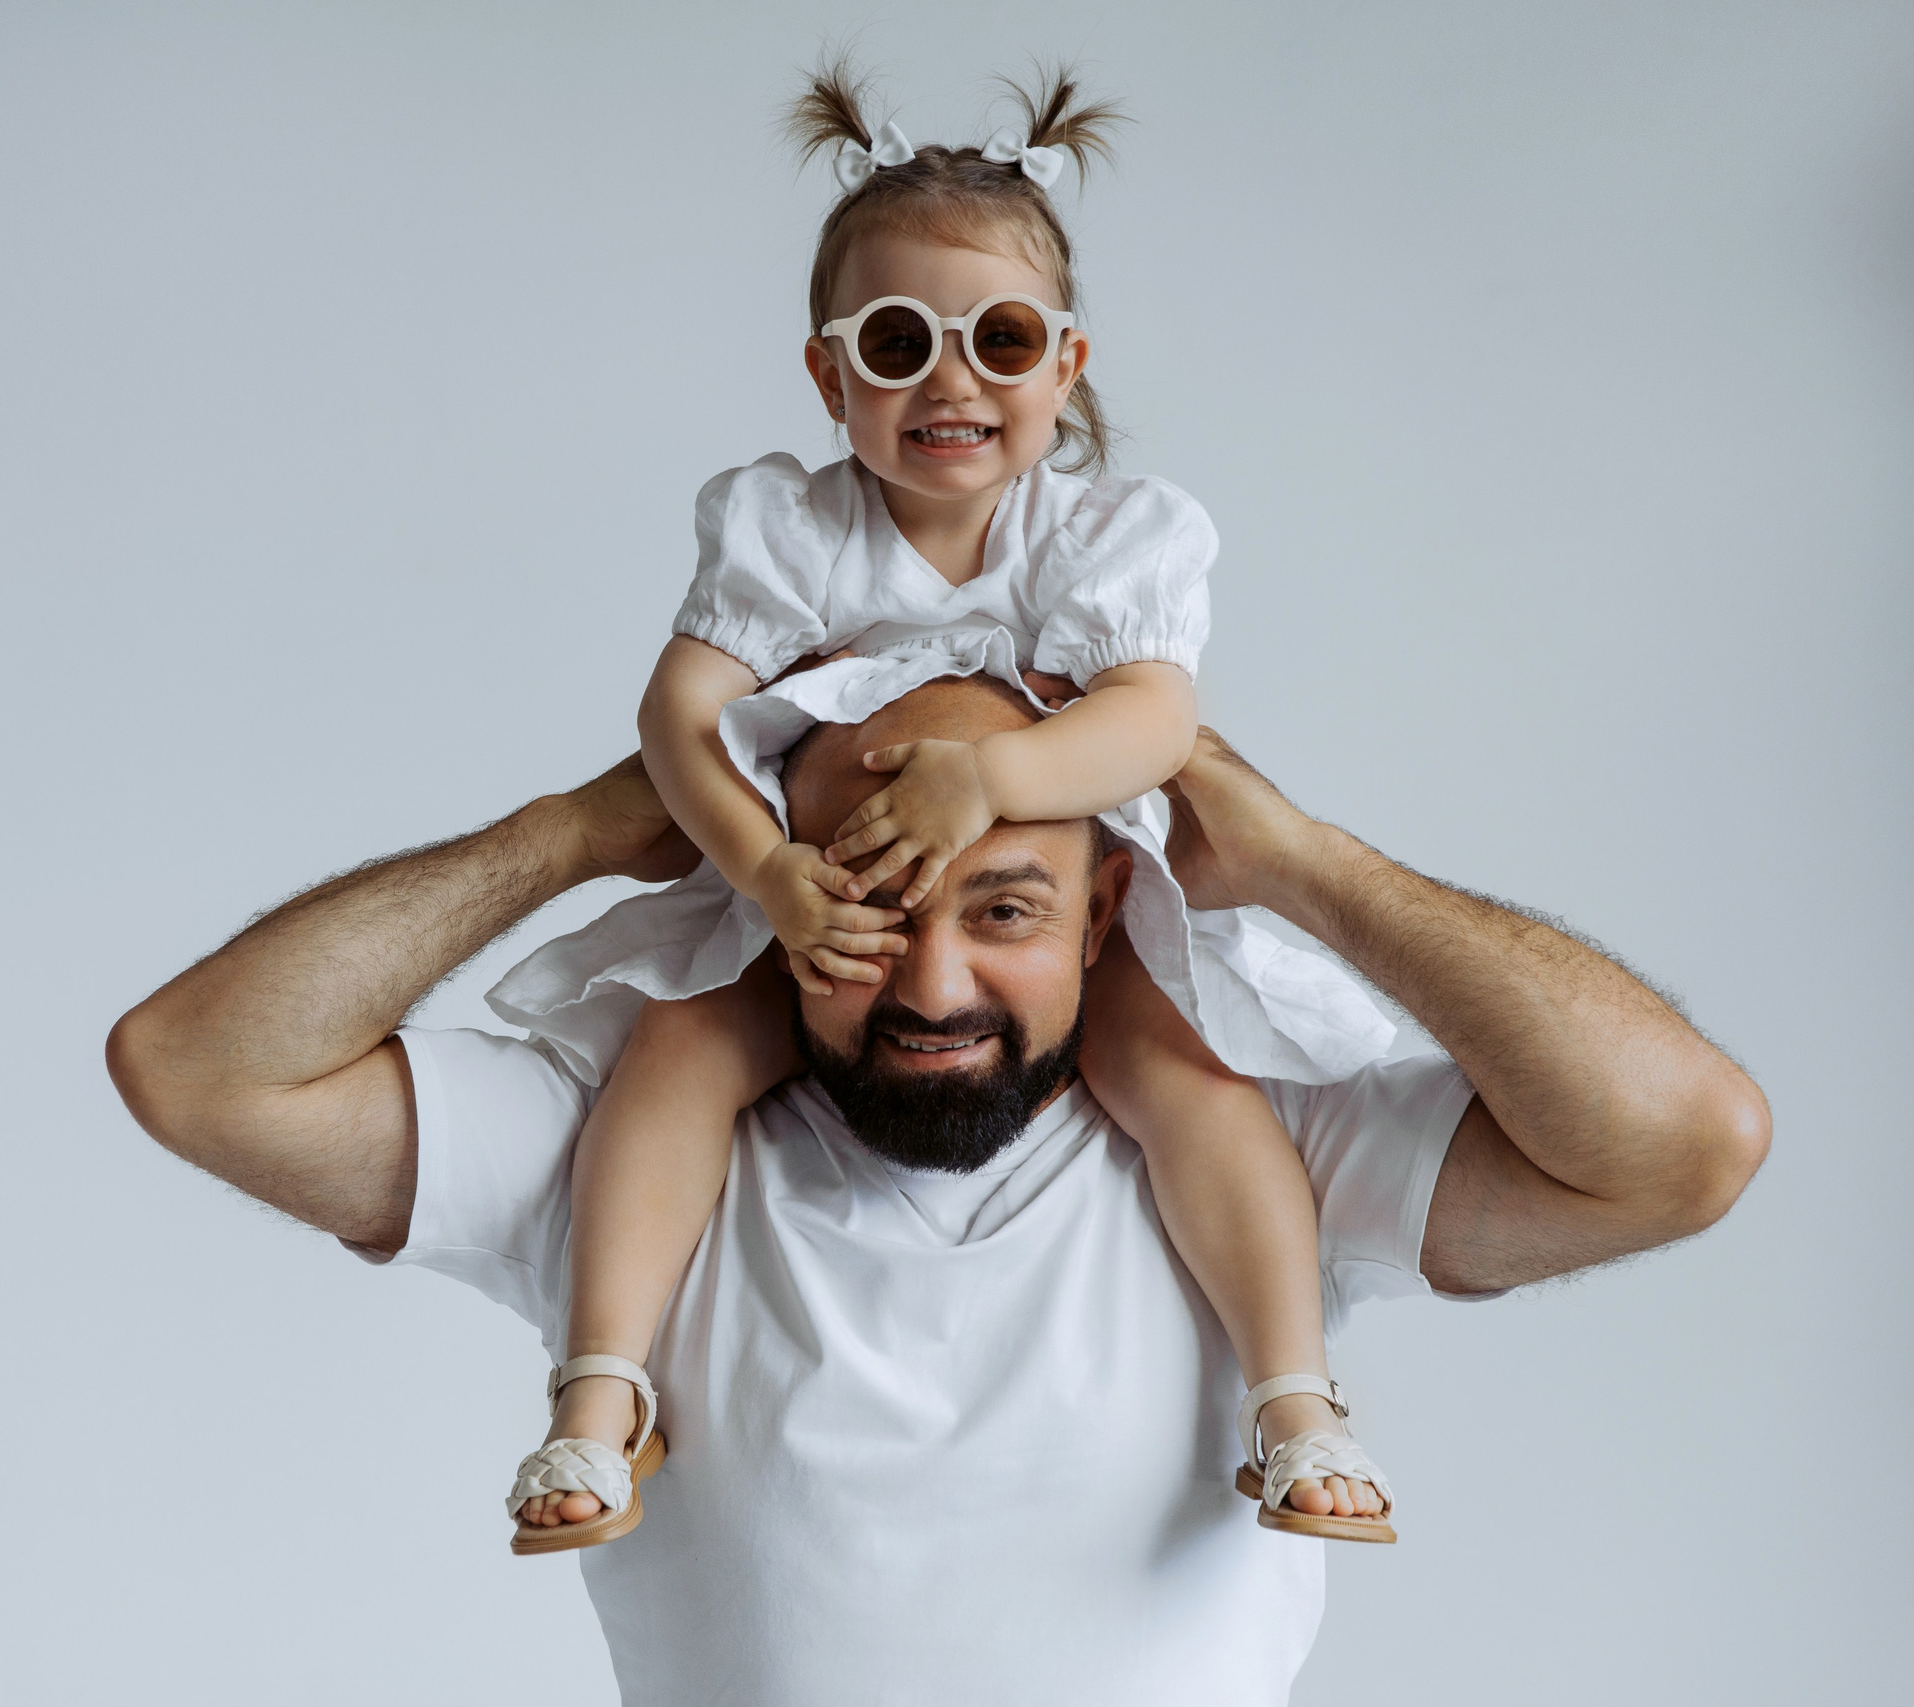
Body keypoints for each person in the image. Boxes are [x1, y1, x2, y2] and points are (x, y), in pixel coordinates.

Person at [105, 674, 1769, 1705]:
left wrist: (1316, 867)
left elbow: (1683, 1144)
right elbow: (197, 1069)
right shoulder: (624, 1162)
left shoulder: (1264, 1158)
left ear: (1111, 910)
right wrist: (577, 833)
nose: (932, 981)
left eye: (1008, 909)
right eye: (870, 900)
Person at [484, 56, 1401, 1552]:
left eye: (1003, 340)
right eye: (899, 343)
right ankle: (599, 1391)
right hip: (828, 887)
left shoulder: (1098, 536)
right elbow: (676, 717)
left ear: (1069, 367)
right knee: (678, 1054)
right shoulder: (794, 527)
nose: (951, 384)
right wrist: (768, 874)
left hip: (1042, 911)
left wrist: (1001, 776)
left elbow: (1159, 718)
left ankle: (1295, 1399)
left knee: (1187, 1082)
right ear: (828, 373)